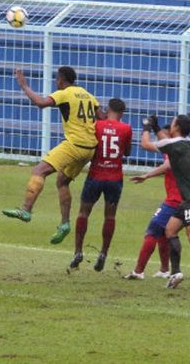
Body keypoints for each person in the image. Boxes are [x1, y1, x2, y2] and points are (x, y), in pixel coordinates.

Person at [2, 66, 103, 245]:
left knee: (39, 171)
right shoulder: (88, 95)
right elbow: (101, 118)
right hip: (90, 148)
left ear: (61, 80)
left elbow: (40, 103)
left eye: (57, 79)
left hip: (74, 144)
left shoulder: (64, 93)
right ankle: (64, 224)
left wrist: (24, 86)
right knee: (62, 181)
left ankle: (26, 209)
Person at [140, 114, 190, 292]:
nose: (170, 125)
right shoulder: (186, 141)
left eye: (172, 123)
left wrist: (146, 128)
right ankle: (176, 273)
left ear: (176, 128)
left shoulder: (174, 145)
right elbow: (168, 144)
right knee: (170, 230)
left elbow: (145, 145)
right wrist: (158, 129)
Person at [69, 98, 132, 271]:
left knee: (83, 213)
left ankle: (78, 251)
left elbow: (90, 147)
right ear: (122, 113)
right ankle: (103, 253)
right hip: (114, 178)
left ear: (107, 109)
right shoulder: (126, 128)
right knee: (110, 217)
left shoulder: (97, 126)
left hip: (95, 175)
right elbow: (127, 152)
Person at [124, 149, 181, 280]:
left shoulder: (173, 149)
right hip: (187, 199)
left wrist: (146, 176)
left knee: (153, 229)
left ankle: (138, 271)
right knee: (163, 233)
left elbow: (167, 166)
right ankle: (165, 270)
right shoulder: (187, 148)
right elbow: (148, 145)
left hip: (175, 201)